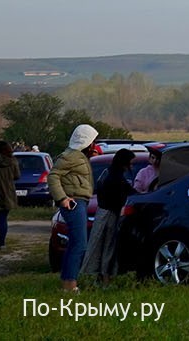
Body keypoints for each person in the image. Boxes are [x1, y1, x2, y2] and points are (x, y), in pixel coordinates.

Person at [49, 124, 98, 292]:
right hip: (74, 203)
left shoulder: (80, 156)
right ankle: (70, 285)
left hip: (80, 201)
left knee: (74, 244)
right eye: (93, 141)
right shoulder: (71, 156)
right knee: (79, 244)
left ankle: (67, 283)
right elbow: (53, 176)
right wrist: (62, 198)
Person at [80, 148, 134, 287]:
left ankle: (95, 277)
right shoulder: (117, 179)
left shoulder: (108, 173)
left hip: (102, 213)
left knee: (97, 245)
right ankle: (105, 278)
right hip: (110, 215)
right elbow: (128, 194)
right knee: (108, 246)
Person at [0, 140, 18, 249]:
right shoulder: (12, 161)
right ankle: (2, 243)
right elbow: (17, 176)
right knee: (3, 219)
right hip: (7, 192)